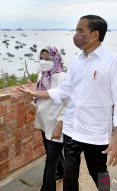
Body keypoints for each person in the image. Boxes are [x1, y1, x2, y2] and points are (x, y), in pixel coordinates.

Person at [19, 15, 117, 191]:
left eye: (81, 30)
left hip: (95, 132)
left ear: (94, 35)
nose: (76, 35)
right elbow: (64, 91)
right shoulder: (76, 61)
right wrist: (37, 93)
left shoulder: (113, 61)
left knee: (100, 173)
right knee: (70, 177)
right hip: (72, 129)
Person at [34, 46, 66, 191]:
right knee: (52, 154)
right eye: (42, 58)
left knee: (50, 161)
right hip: (44, 122)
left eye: (48, 58)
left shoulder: (61, 77)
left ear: (55, 59)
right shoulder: (42, 75)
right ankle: (63, 171)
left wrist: (60, 125)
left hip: (55, 124)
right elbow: (39, 96)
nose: (44, 61)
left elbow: (69, 104)